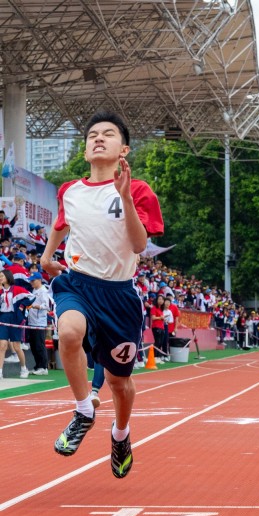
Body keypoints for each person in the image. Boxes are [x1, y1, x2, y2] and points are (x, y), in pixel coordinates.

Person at [41, 110, 164, 478]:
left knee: (118, 383)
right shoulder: (70, 190)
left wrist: (125, 198)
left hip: (119, 296)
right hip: (77, 283)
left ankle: (121, 434)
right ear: (85, 150)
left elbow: (140, 244)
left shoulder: (139, 190)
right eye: (92, 134)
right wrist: (48, 256)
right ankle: (83, 410)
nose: (98, 138)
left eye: (108, 134)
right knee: (68, 334)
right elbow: (61, 223)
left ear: (123, 148)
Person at [0, 269, 35, 378]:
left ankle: (24, 368)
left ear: (8, 277)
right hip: (3, 318)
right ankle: (0, 371)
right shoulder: (0, 291)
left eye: (2, 276)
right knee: (2, 346)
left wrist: (22, 306)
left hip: (15, 318)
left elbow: (32, 297)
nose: (0, 278)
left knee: (16, 346)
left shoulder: (17, 289)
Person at [27, 272, 54, 375]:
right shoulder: (34, 290)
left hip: (39, 322)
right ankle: (38, 366)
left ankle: (43, 367)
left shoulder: (44, 291)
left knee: (39, 345)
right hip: (32, 321)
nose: (31, 283)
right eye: (31, 281)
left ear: (39, 280)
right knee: (33, 345)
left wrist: (37, 306)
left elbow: (47, 306)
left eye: (33, 281)